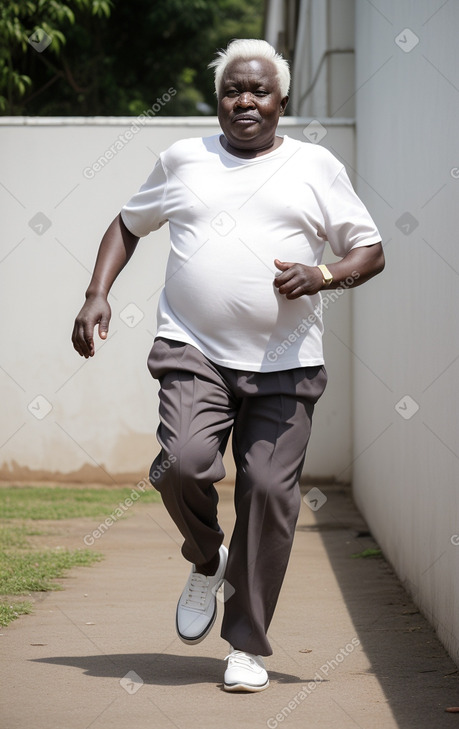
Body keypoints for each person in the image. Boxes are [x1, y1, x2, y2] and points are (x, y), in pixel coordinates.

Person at [72, 38, 384, 693]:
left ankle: (245, 644)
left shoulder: (314, 166)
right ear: (218, 101)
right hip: (194, 352)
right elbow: (127, 224)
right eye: (231, 91)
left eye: (258, 91)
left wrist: (322, 273)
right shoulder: (183, 160)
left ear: (281, 100)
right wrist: (97, 292)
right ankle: (207, 555)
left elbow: (369, 251)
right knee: (181, 462)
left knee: (268, 494)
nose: (244, 101)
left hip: (287, 364)